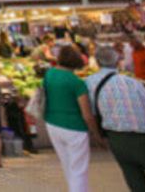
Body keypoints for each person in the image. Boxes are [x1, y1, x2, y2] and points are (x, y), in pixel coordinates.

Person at [87, 46, 145, 192]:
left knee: (134, 180)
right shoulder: (132, 83)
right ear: (118, 61)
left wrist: (98, 137)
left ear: (97, 63)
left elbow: (91, 114)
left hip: (116, 139)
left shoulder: (88, 83)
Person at [43, 46, 104, 192]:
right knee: (79, 170)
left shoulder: (49, 74)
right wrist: (96, 134)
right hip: (74, 128)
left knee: (68, 166)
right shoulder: (77, 82)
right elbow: (87, 115)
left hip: (52, 124)